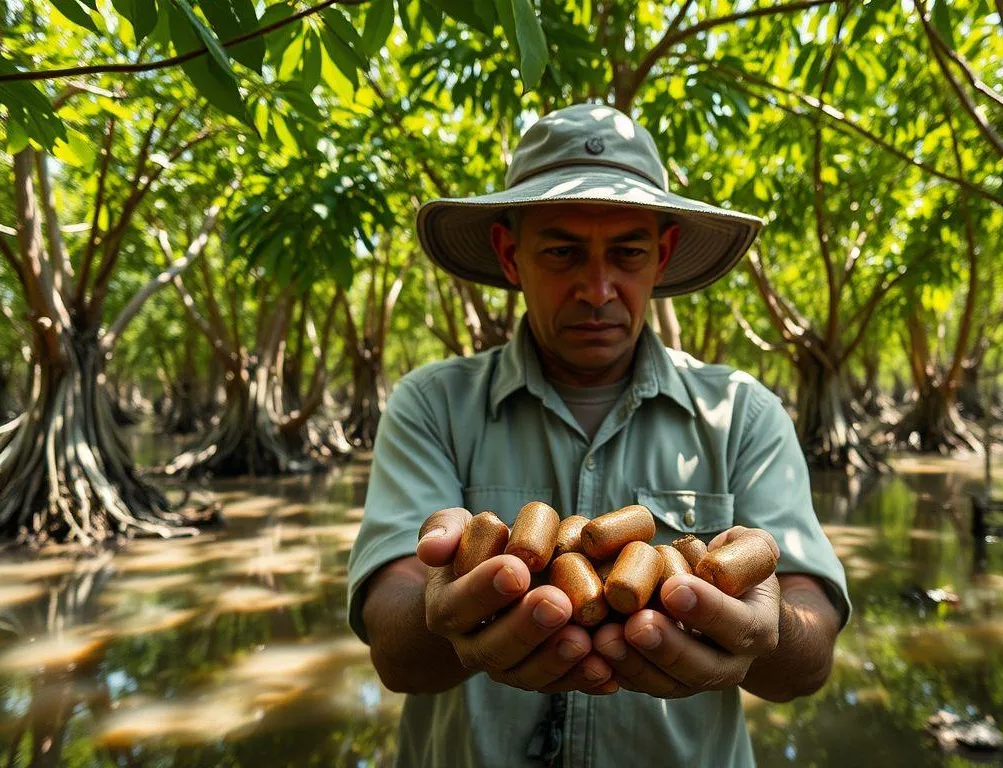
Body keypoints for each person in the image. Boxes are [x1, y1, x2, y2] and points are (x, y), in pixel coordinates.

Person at [346, 103, 849, 767]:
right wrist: (445, 609)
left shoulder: (744, 414)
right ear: (509, 254)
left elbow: (808, 658)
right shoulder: (432, 406)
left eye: (627, 253)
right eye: (561, 252)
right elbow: (394, 644)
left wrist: (766, 630)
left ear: (662, 257)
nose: (597, 288)